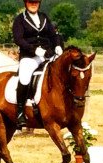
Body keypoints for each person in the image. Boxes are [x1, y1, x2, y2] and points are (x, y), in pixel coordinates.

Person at [12, 0, 63, 129]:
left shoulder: (44, 17)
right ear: (26, 3)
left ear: (39, 3)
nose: (33, 4)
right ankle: (20, 112)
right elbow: (18, 39)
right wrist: (33, 49)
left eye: (35, 2)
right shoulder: (20, 19)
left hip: (47, 54)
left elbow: (53, 34)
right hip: (30, 56)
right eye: (30, 2)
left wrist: (57, 45)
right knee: (24, 78)